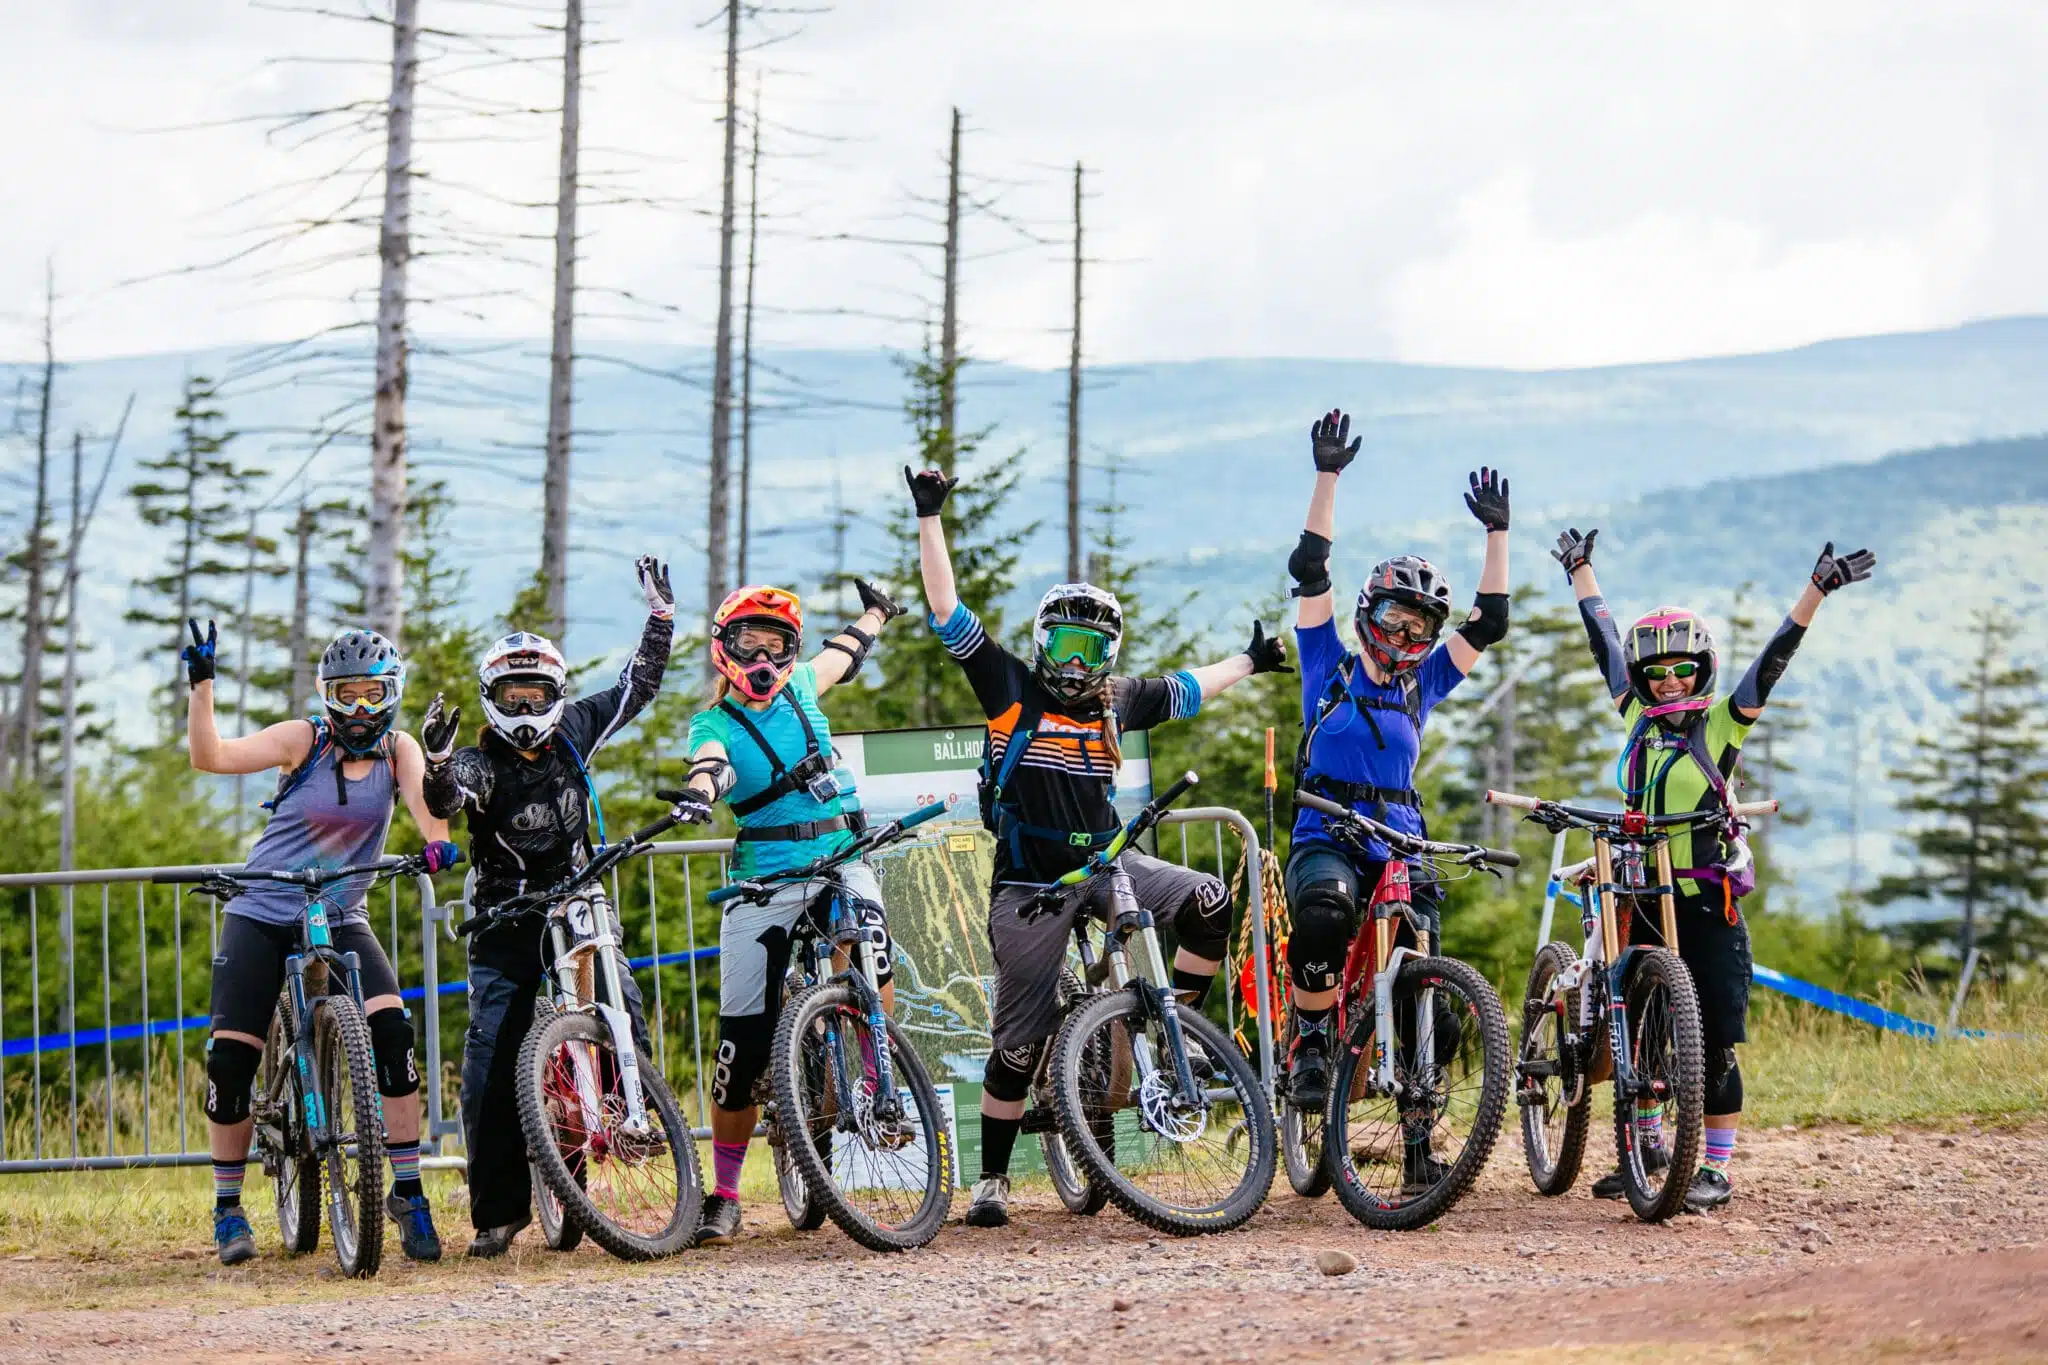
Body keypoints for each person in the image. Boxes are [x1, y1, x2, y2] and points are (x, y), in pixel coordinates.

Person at [906, 464, 1290, 1230]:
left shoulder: (1117, 701)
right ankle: (991, 1180)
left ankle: (1173, 1027)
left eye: (1092, 647)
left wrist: (1251, 659)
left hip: (1110, 865)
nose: (1077, 661)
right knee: (1019, 1044)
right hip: (1031, 886)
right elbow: (947, 611)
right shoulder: (1011, 689)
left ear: (1108, 652)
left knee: (1208, 900)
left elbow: (1187, 687)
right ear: (1043, 642)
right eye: (1065, 643)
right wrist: (929, 516)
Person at [1556, 526, 1874, 1210]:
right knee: (1639, 1030)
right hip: (1642, 894)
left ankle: (1717, 1170)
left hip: (1706, 900)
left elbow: (1774, 659)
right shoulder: (1637, 718)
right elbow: (1604, 643)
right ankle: (1647, 1152)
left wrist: (1816, 590)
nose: (1669, 680)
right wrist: (1581, 571)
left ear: (1702, 669)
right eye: (1657, 672)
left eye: (1682, 668)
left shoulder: (1726, 722)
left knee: (1716, 1042)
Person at [184, 621, 463, 1266]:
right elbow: (211, 757)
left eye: (373, 693)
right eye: (347, 694)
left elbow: (431, 816)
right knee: (231, 1060)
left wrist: (435, 845)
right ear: (326, 694)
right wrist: (202, 685)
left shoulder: (398, 751)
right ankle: (228, 1206)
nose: (360, 708)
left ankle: (408, 1192)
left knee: (393, 1032)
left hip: (340, 912)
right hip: (262, 908)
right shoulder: (303, 740)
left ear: (392, 693)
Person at [422, 555, 675, 1257]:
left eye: (538, 695)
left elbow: (637, 688)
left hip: (578, 893)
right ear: (491, 699)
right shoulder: (479, 762)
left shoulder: (576, 730)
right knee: (488, 1058)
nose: (527, 708)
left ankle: (629, 1114)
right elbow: (447, 798)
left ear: (558, 694)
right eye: (514, 696)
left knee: (623, 1000)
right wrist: (437, 763)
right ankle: (498, 1212)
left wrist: (660, 618)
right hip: (504, 915)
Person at [1280, 409, 1513, 1152]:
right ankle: (1311, 1040)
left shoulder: (1425, 683)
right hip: (1327, 830)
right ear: (1367, 614)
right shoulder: (1327, 665)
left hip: (1401, 842)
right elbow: (1309, 569)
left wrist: (1497, 535)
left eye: (1422, 628)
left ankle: (1419, 1137)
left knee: (1431, 998)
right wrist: (1327, 475)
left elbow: (1489, 622)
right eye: (1395, 618)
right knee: (1323, 914)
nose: (1408, 636)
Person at [674, 577, 908, 1247]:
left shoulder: (804, 684)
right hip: (764, 880)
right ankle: (724, 1195)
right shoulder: (714, 724)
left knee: (871, 943)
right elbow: (709, 764)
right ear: (724, 649)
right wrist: (701, 791)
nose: (763, 659)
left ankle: (879, 1083)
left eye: (776, 645)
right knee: (741, 1047)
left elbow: (847, 651)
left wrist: (877, 612)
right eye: (749, 643)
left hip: (841, 855)